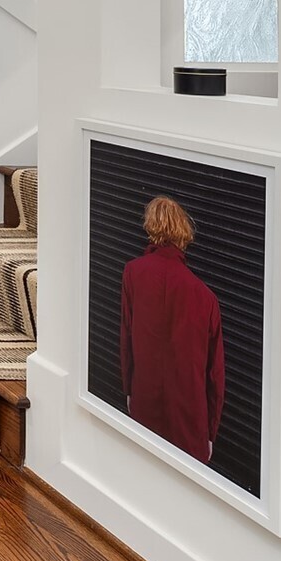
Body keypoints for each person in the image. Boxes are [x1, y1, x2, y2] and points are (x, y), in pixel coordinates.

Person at [119, 196, 224, 463]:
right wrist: (210, 431)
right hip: (189, 418)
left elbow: (127, 337)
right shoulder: (206, 297)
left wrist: (129, 390)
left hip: (144, 399)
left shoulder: (132, 273)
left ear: (150, 228)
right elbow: (215, 372)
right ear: (184, 236)